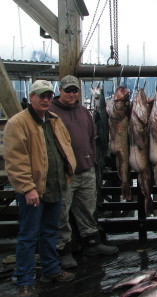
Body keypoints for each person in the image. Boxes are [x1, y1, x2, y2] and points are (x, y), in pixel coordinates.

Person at [4, 80, 77, 296]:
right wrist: (27, 188)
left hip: (55, 186)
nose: (45, 100)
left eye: (48, 96)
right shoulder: (18, 123)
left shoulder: (54, 120)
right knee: (28, 236)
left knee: (49, 232)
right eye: (41, 96)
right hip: (34, 191)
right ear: (32, 97)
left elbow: (65, 145)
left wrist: (67, 173)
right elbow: (15, 160)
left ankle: (51, 269)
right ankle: (24, 279)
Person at [50, 75, 118, 269]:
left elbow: (92, 136)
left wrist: (91, 158)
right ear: (60, 91)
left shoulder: (84, 112)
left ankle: (92, 243)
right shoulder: (51, 112)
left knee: (88, 209)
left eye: (75, 90)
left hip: (86, 169)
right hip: (64, 173)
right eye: (68, 90)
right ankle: (63, 250)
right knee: (61, 213)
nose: (71, 94)